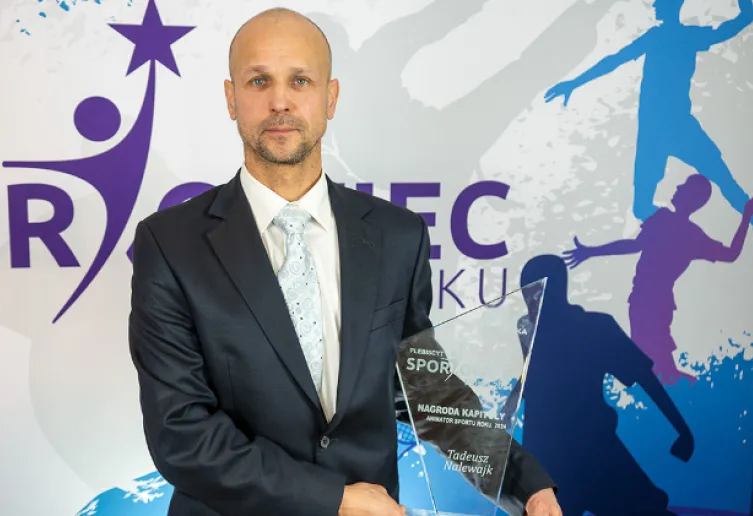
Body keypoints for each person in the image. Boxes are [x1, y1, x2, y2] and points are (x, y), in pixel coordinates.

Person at [127, 8, 561, 516]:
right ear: (231, 98)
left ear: (330, 97)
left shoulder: (398, 236)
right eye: (259, 80)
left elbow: (424, 391)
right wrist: (332, 499)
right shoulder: (170, 244)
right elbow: (180, 432)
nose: (280, 101)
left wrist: (522, 482)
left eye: (300, 80)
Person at [544, 0, 753, 244]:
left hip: (665, 130)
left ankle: (750, 223)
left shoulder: (667, 37)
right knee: (710, 183)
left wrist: (574, 83)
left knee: (717, 181)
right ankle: (700, 235)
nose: (655, 5)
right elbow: (743, 20)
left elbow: (614, 61)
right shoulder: (679, 37)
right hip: (668, 130)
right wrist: (574, 83)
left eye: (660, 2)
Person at [515, 255, 694, 516]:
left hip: (593, 452)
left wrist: (682, 430)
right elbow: (534, 383)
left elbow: (645, 379)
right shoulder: (528, 328)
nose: (531, 301)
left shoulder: (596, 328)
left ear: (555, 289)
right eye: (526, 293)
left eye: (535, 292)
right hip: (549, 461)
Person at [563, 175, 753, 385]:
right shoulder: (680, 228)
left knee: (650, 365)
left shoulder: (676, 227)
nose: (678, 186)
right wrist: (747, 214)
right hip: (650, 302)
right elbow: (730, 254)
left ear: (692, 198)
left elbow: (633, 245)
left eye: (684, 186)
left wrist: (591, 252)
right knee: (654, 365)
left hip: (648, 303)